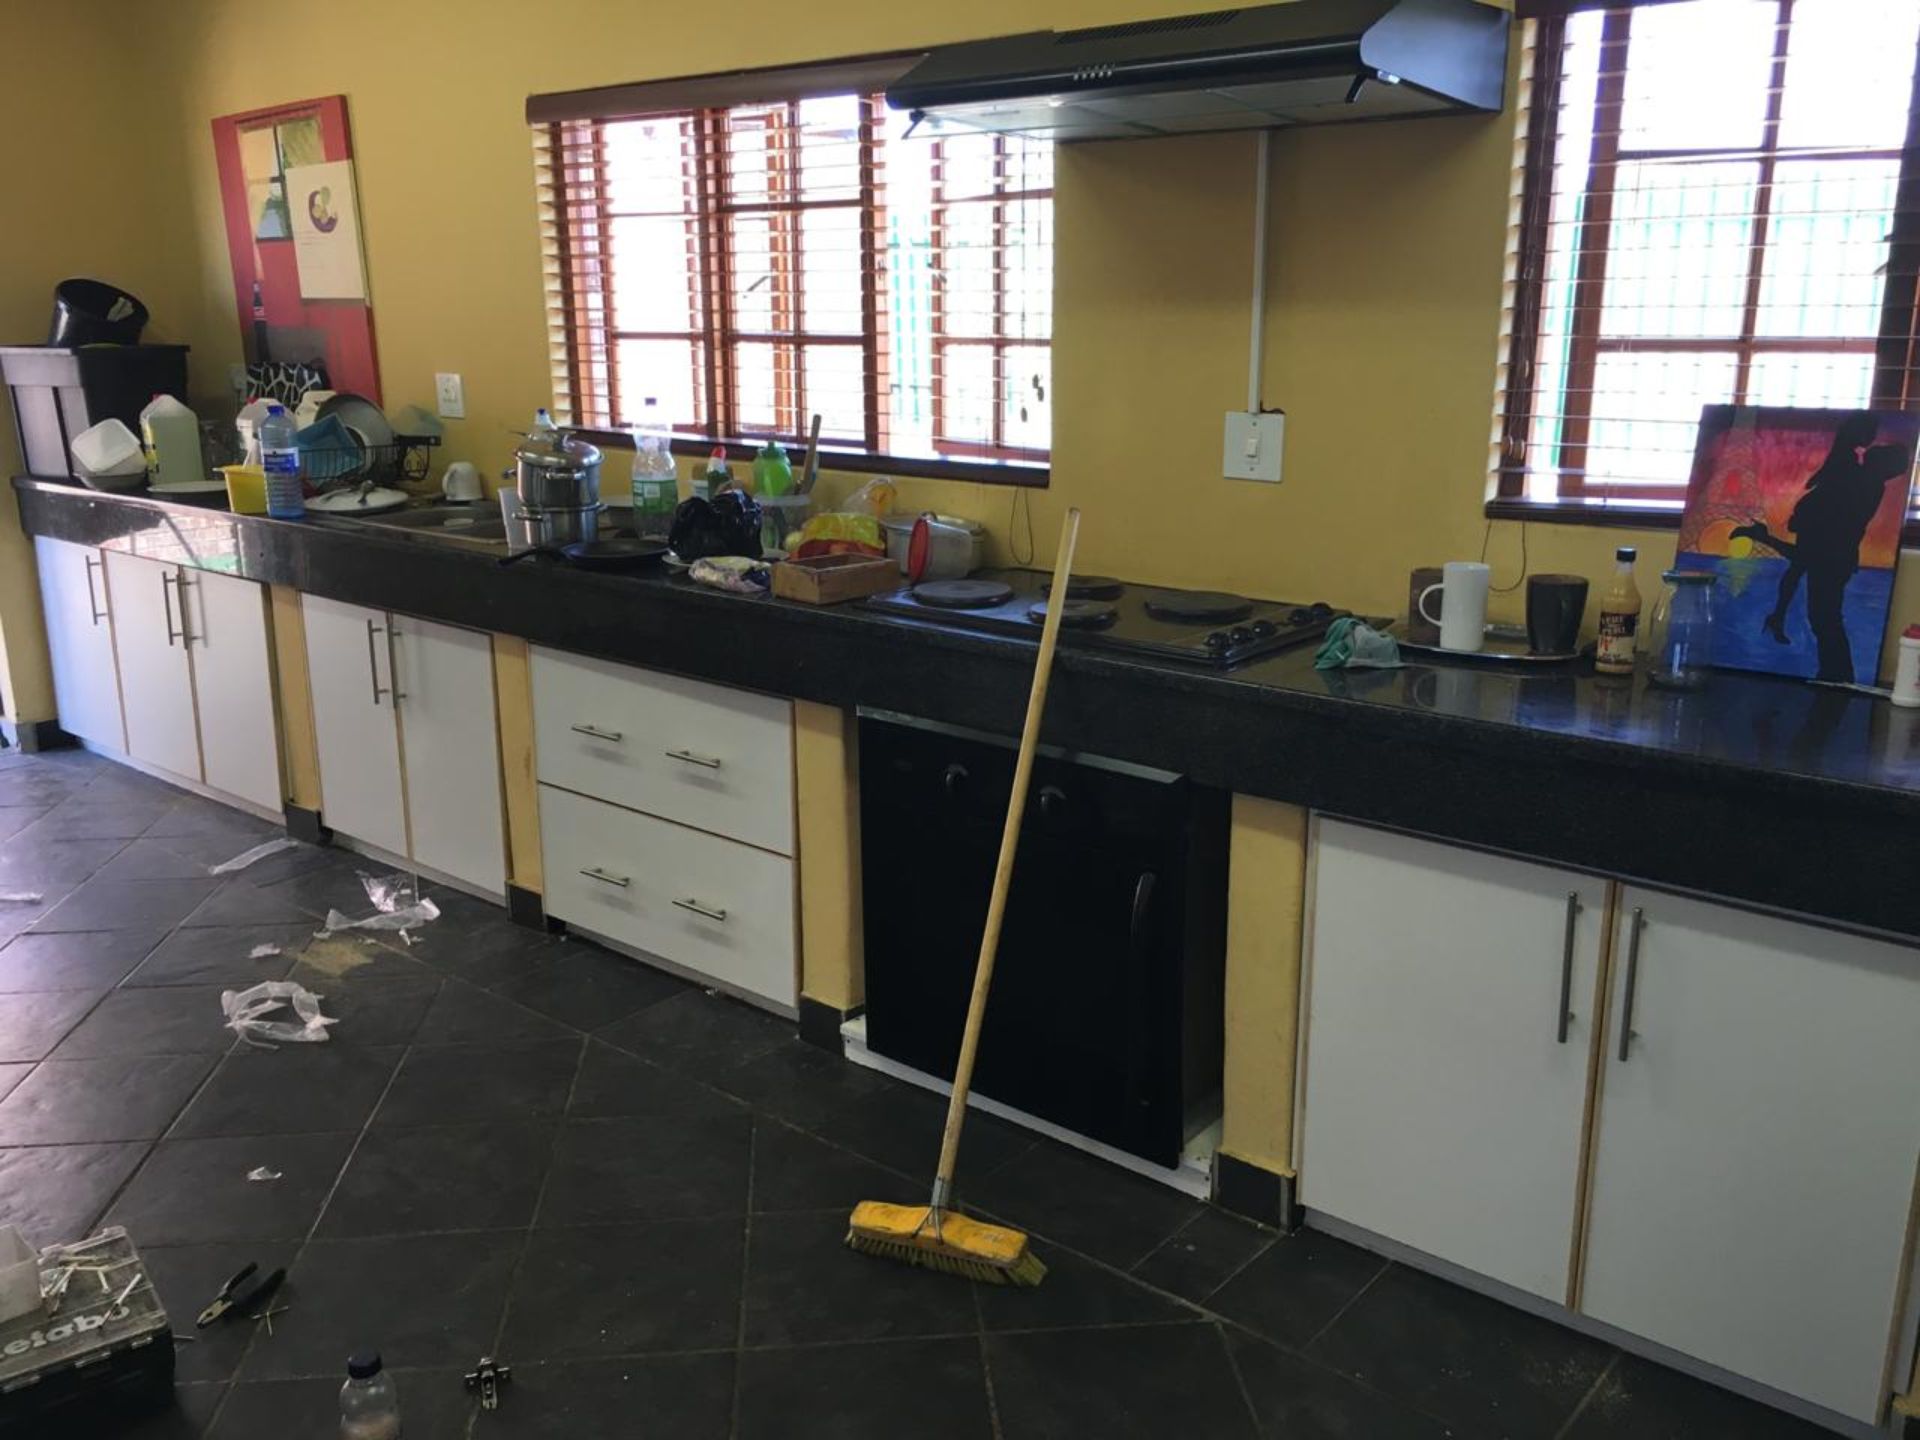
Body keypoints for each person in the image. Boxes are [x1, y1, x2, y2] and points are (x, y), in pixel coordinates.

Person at [1733, 430, 1912, 683]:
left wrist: (1767, 537)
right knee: (1824, 617)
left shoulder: (1859, 484)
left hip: (1834, 556)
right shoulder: (1861, 482)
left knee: (1824, 618)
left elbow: (1807, 552)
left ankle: (1836, 675)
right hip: (1836, 555)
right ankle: (1835, 674)